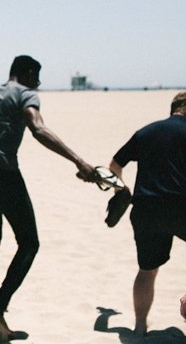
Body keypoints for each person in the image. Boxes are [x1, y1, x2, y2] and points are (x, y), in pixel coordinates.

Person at [0, 55, 96, 338]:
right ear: (29, 73)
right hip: (2, 172)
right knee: (29, 242)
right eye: (37, 78)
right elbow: (38, 129)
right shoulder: (26, 94)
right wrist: (79, 161)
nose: (38, 84)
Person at [108, 91, 186, 336]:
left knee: (147, 269)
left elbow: (114, 165)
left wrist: (122, 190)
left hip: (146, 209)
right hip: (181, 207)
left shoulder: (146, 132)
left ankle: (140, 326)